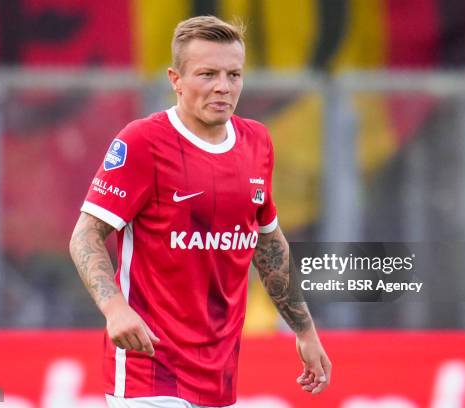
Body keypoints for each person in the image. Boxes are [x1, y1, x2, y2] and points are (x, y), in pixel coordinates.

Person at [69, 15, 331, 408]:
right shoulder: (143, 143)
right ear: (175, 79)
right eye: (207, 74)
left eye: (234, 74)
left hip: (218, 375)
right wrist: (115, 309)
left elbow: (268, 243)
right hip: (149, 371)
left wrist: (305, 330)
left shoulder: (257, 142)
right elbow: (85, 234)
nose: (223, 87)